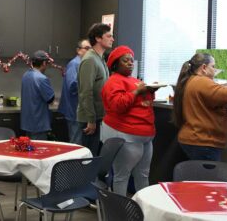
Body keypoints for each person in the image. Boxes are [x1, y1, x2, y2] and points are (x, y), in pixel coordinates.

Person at [101, 45, 156, 196]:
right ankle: (121, 211)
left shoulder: (134, 80)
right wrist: (138, 91)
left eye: (132, 60)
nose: (131, 63)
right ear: (115, 64)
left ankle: (145, 209)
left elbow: (142, 102)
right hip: (126, 134)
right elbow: (118, 105)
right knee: (122, 176)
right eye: (126, 60)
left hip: (146, 135)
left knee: (143, 174)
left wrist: (150, 91)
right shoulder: (113, 81)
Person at [173, 53, 227, 161]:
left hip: (194, 138)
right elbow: (226, 94)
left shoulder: (192, 80)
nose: (215, 70)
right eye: (213, 66)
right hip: (203, 141)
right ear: (204, 67)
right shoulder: (202, 81)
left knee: (199, 176)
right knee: (208, 177)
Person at [77, 23, 114, 156]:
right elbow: (85, 92)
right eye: (109, 36)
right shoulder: (90, 60)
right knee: (87, 159)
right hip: (90, 120)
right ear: (98, 38)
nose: (112, 39)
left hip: (99, 117)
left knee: (94, 158)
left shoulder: (100, 59)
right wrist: (91, 119)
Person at [58, 39, 91, 144]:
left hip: (80, 111)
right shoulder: (75, 64)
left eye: (90, 49)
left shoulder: (83, 64)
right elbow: (72, 86)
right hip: (74, 111)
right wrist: (90, 82)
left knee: (80, 142)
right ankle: (74, 161)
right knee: (76, 143)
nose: (89, 51)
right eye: (86, 48)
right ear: (78, 50)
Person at [21, 50, 55, 140]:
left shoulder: (25, 75)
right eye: (47, 63)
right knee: (38, 150)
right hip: (38, 122)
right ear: (44, 63)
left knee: (29, 149)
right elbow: (50, 99)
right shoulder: (41, 78)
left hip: (27, 122)